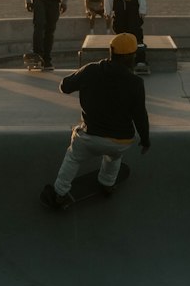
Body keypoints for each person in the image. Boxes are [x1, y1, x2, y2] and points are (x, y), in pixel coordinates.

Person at [45, 32, 150, 209]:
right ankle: (107, 184)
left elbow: (65, 86)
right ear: (132, 57)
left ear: (111, 52)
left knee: (73, 157)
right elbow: (140, 114)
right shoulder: (136, 82)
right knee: (114, 156)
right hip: (121, 141)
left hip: (90, 138)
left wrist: (81, 79)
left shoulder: (91, 70)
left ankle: (60, 192)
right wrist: (145, 140)